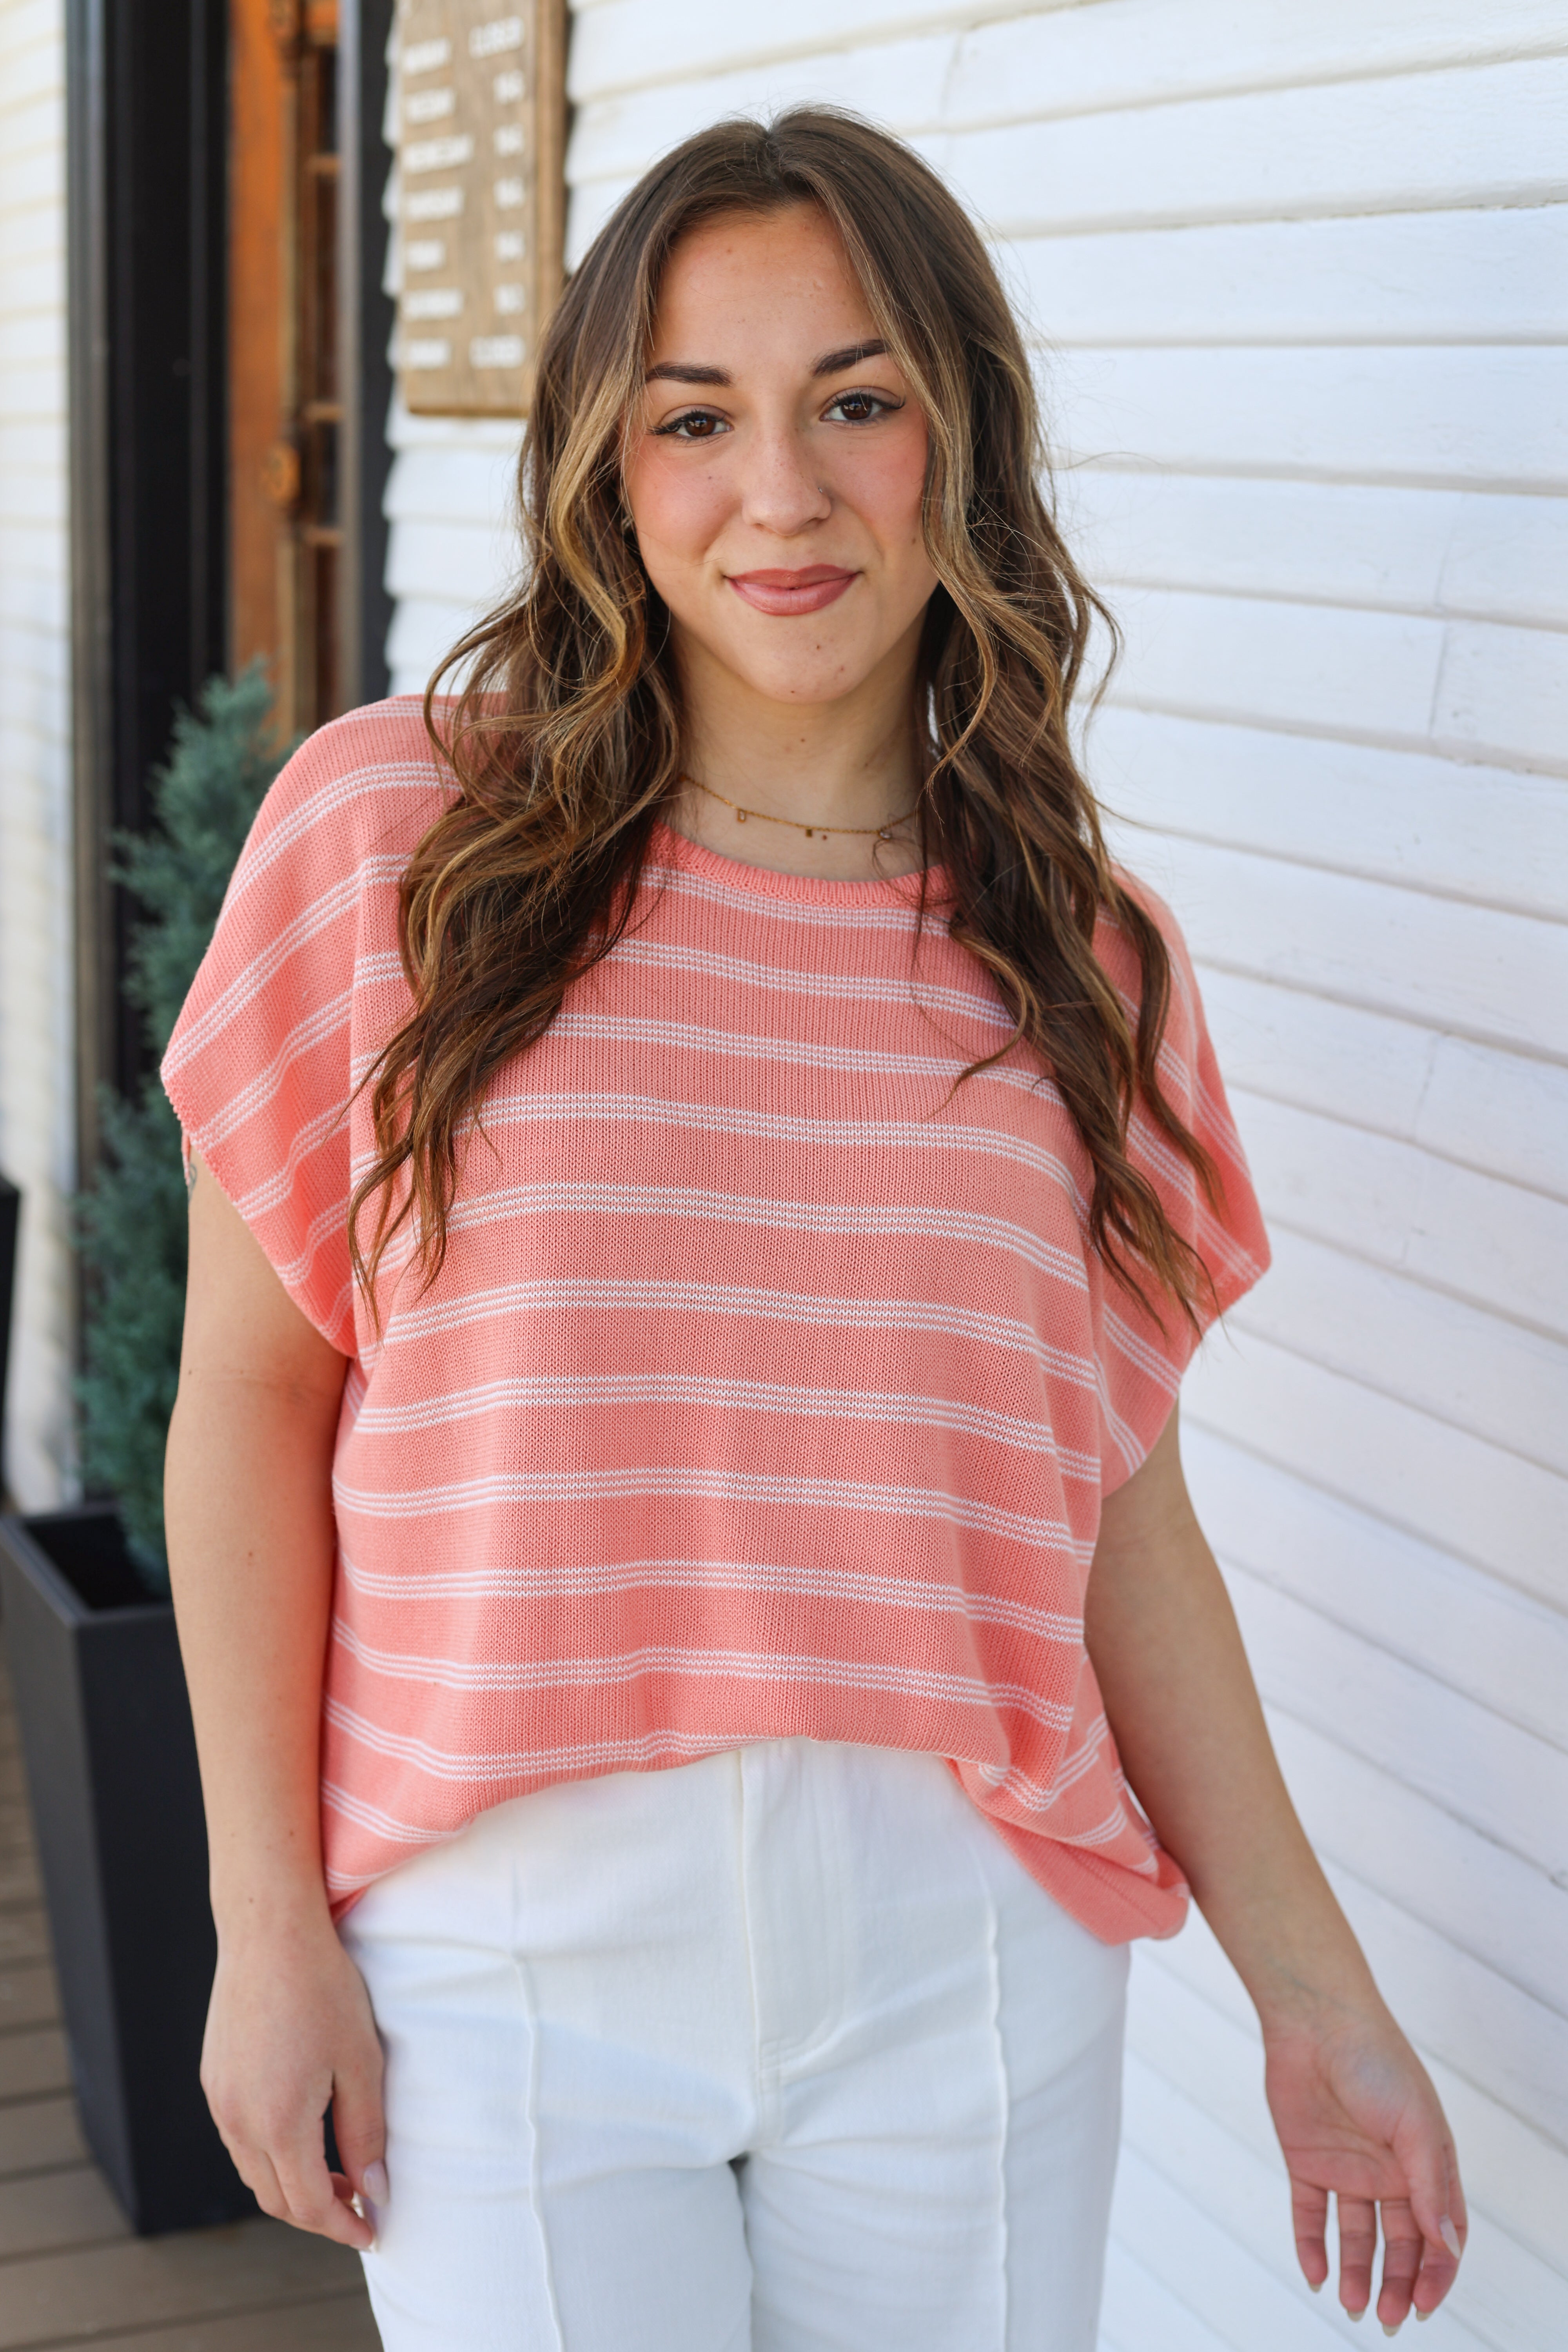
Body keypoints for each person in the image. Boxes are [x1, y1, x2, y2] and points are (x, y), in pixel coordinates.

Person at [162, 109, 1465, 2352]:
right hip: (506, 1955)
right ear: (608, 466)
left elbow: (1114, 1512)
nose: (779, 491)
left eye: (856, 402)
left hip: (969, 1958)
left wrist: (1318, 1997)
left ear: (961, 436)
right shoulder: (400, 844)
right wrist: (264, 1923)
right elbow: (247, 1413)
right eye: (696, 418)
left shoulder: (1091, 964)